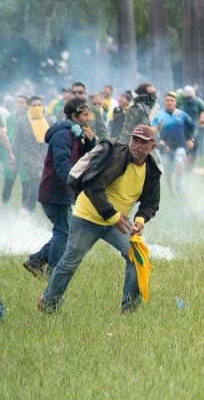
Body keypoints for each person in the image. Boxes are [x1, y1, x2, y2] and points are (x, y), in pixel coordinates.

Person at [38, 124, 161, 314]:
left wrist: (140, 220)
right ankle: (49, 302)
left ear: (152, 146)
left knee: (136, 257)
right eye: (135, 139)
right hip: (89, 215)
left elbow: (151, 202)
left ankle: (129, 308)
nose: (137, 145)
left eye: (144, 142)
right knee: (70, 261)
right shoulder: (116, 157)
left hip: (117, 222)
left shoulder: (151, 170)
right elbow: (93, 185)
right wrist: (112, 216)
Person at [23, 98, 95, 277]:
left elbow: (85, 158)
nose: (88, 118)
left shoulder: (76, 133)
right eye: (85, 115)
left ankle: (36, 260)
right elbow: (62, 164)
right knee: (63, 231)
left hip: (63, 191)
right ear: (74, 116)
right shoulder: (63, 135)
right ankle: (53, 270)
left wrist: (90, 142)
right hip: (55, 191)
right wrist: (74, 185)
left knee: (66, 230)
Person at [10, 96, 50, 212]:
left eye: (39, 105)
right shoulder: (23, 121)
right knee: (37, 183)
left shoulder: (48, 121)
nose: (37, 108)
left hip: (45, 158)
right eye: (34, 105)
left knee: (37, 186)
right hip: (29, 158)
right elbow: (16, 142)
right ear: (29, 107)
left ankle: (27, 210)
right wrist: (14, 160)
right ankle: (45, 212)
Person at [151, 92, 196, 194]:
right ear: (164, 102)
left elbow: (192, 127)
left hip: (180, 145)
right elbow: (153, 131)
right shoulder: (159, 116)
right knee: (168, 171)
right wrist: (159, 142)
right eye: (167, 101)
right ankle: (172, 191)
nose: (169, 103)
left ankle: (178, 183)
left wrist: (190, 139)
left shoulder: (182, 115)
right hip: (165, 147)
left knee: (180, 164)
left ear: (175, 102)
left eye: (172, 101)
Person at [178, 85, 204, 166]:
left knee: (194, 148)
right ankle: (184, 166)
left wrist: (202, 118)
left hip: (195, 128)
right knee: (184, 148)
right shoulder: (180, 101)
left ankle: (190, 166)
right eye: (187, 96)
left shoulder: (197, 101)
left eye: (190, 95)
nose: (189, 98)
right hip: (182, 128)